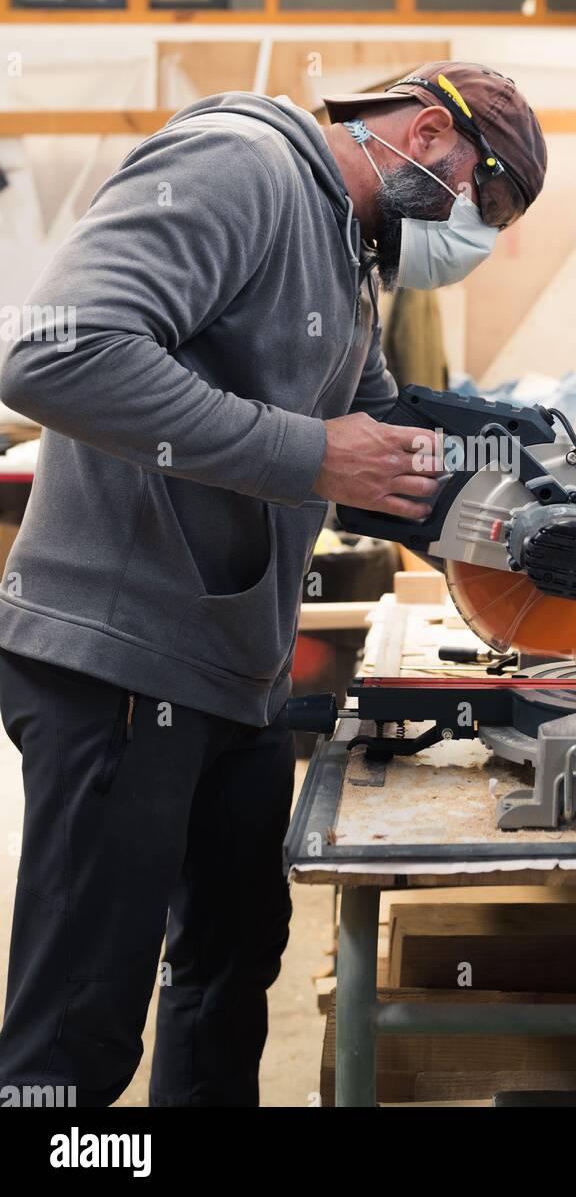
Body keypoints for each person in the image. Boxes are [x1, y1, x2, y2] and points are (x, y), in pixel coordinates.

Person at [0, 62, 547, 1106]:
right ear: (427, 131)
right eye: (483, 200)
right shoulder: (240, 167)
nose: (475, 235)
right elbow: (49, 357)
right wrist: (306, 455)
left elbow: (392, 449)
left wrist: (559, 495)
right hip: (120, 661)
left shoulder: (350, 255)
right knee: (73, 1043)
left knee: (225, 969)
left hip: (227, 674)